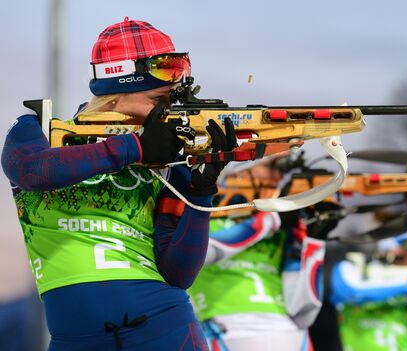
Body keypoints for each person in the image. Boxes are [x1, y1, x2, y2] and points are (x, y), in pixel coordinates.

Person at [2, 17, 236, 351]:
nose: (169, 110)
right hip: (74, 341)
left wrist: (202, 193)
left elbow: (178, 273)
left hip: (166, 330)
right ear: (118, 87)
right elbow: (30, 171)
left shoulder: (169, 159)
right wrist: (134, 148)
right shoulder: (36, 129)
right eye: (159, 99)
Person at [186, 158, 335, 351]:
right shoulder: (198, 211)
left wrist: (316, 240)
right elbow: (195, 255)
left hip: (293, 338)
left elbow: (303, 314)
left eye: (282, 169)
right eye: (271, 166)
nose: (279, 176)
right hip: (225, 335)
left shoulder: (283, 225)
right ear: (237, 165)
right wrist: (269, 222)